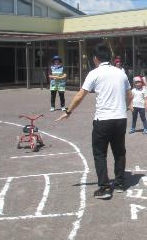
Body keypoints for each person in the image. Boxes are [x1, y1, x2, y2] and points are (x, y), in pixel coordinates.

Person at [56, 43, 132, 199]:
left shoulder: (94, 73)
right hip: (120, 119)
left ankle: (104, 188)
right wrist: (123, 107)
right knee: (119, 152)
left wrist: (68, 111)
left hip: (103, 120)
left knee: (100, 154)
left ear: (96, 59)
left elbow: (80, 95)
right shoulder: (121, 73)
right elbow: (130, 95)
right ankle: (119, 183)